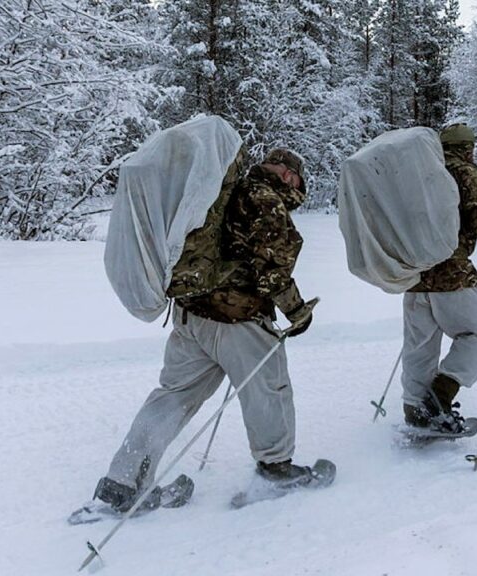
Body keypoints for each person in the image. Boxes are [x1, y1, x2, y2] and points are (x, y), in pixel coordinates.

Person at [87, 148, 325, 516]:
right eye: (295, 176)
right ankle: (276, 470)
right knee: (269, 389)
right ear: (286, 173)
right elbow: (272, 271)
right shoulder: (265, 199)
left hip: (190, 314)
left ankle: (124, 478)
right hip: (237, 321)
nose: (295, 184)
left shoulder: (219, 191)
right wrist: (297, 311)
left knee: (173, 396)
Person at [401, 124, 477, 433]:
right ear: (468, 148)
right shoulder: (465, 173)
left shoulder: (419, 174)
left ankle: (414, 409)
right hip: (452, 272)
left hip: (414, 274)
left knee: (420, 345)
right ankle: (439, 399)